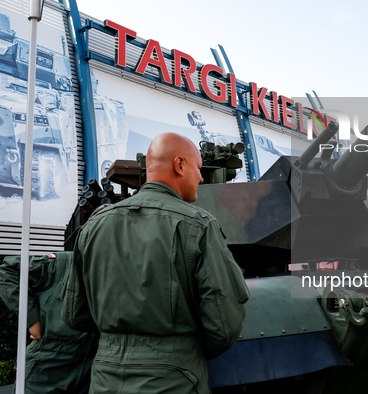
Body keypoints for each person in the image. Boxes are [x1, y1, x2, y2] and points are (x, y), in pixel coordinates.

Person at [62, 132, 249, 394]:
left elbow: (74, 314)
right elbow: (225, 324)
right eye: (197, 168)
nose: (201, 177)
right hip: (173, 380)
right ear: (179, 165)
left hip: (105, 379)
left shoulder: (93, 227)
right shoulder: (198, 224)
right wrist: (179, 353)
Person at [0, 252, 97, 393]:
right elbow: (8, 271)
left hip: (91, 369)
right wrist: (32, 320)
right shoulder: (64, 263)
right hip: (48, 366)